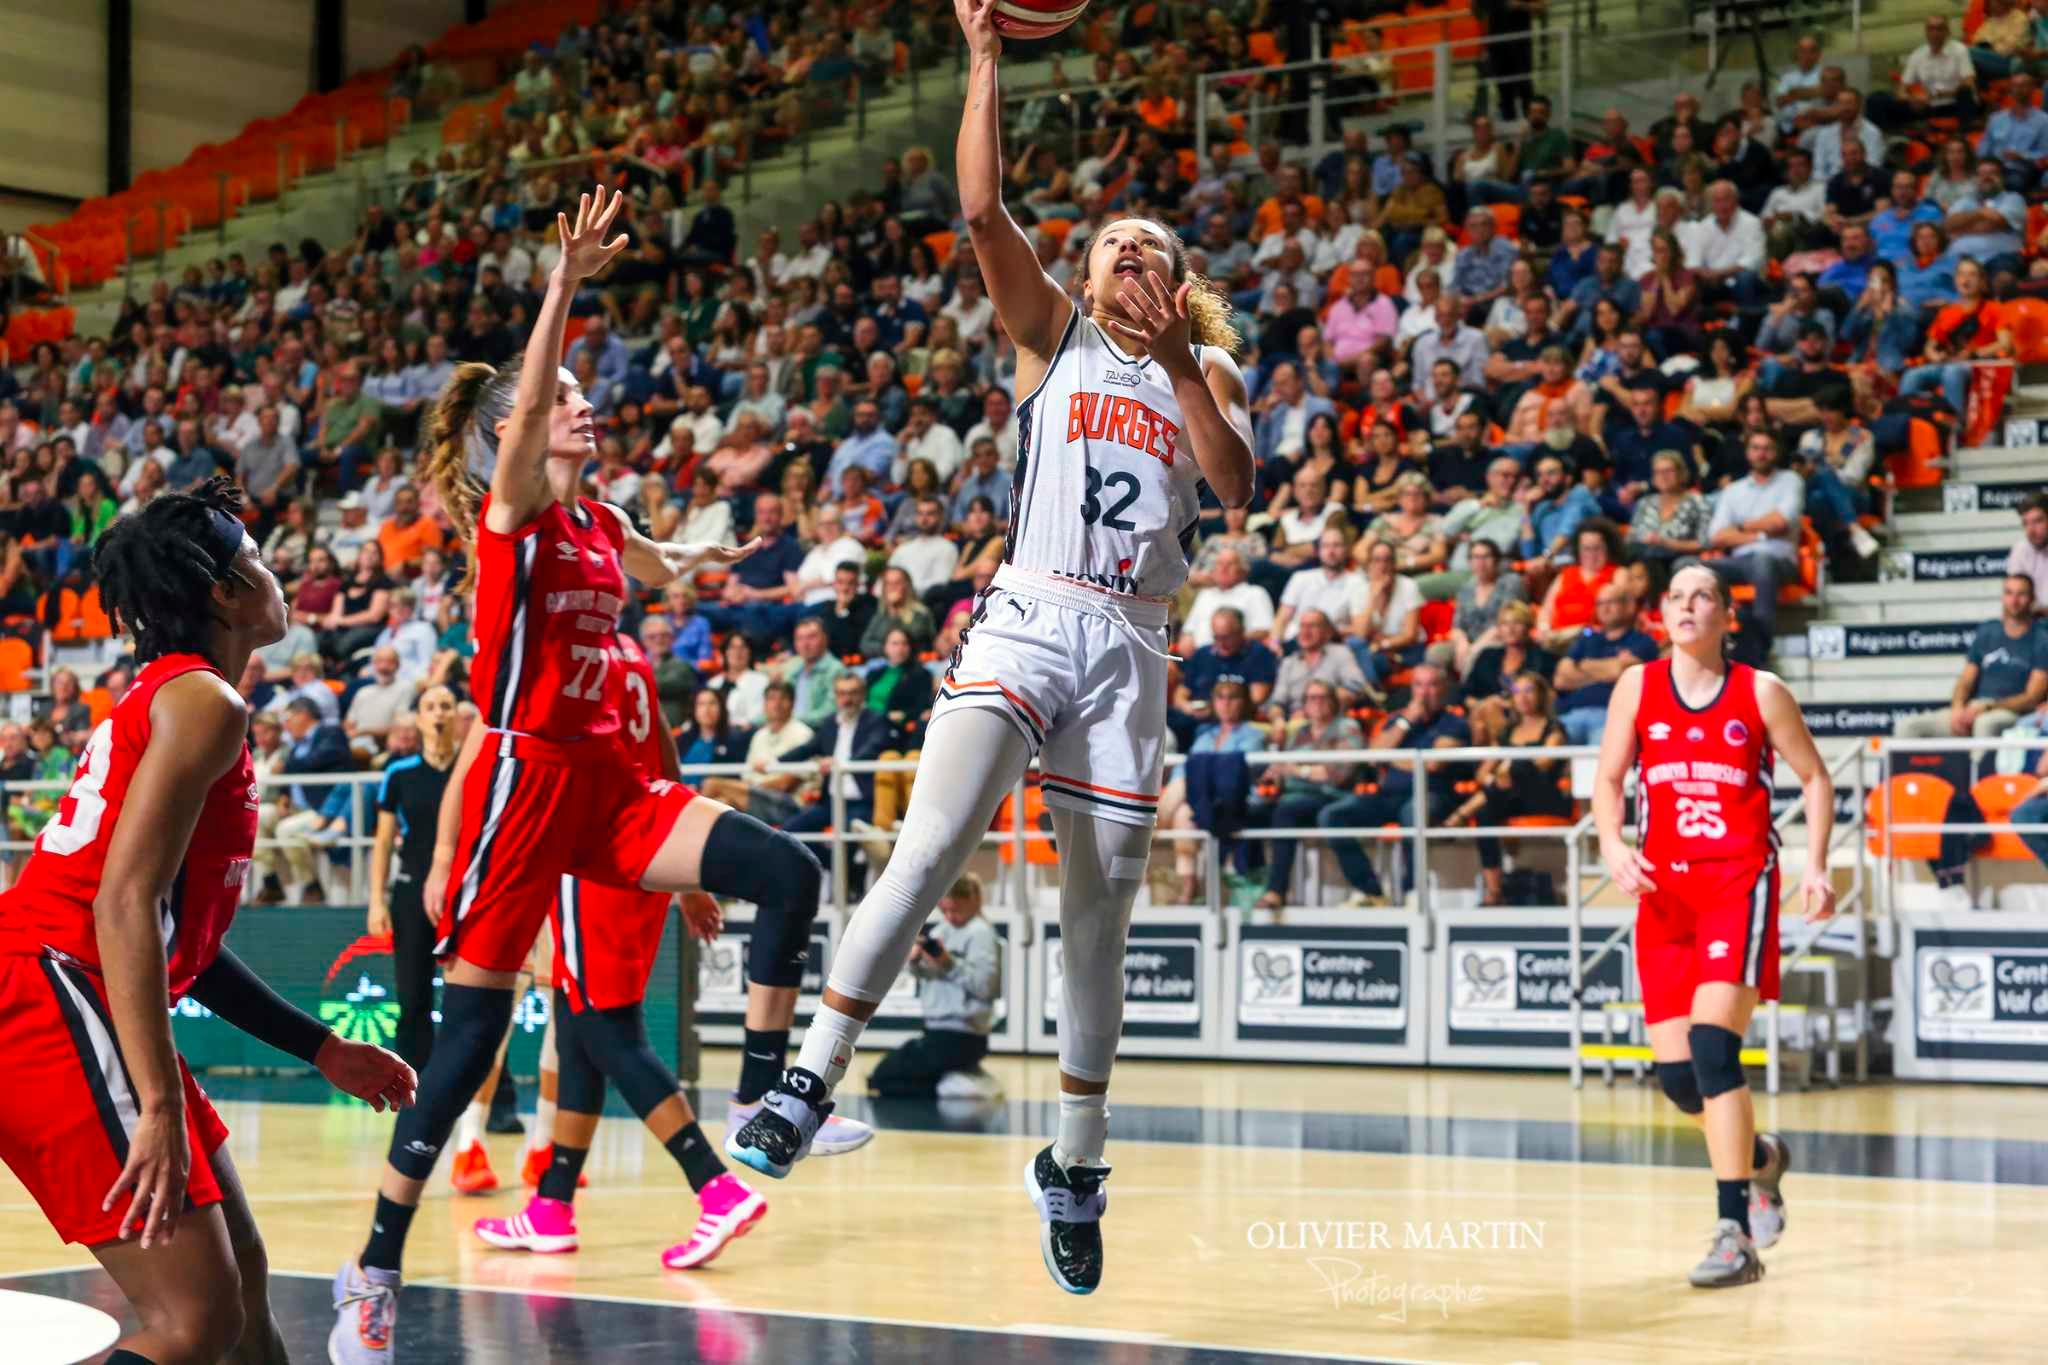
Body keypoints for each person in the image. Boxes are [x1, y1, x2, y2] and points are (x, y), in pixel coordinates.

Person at [726, 0, 1257, 1301]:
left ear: (1180, 281)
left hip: (1134, 647)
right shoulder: (1053, 340)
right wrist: (981, 61)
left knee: (1098, 916)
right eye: (1112, 243)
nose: (1128, 252)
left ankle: (1076, 1162)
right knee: (936, 838)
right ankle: (809, 1077)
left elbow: (1236, 488)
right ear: (1085, 275)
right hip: (1033, 610)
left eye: (1152, 245)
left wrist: (1190, 362)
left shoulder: (1213, 378)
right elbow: (979, 212)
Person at [331, 187, 866, 1365]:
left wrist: (705, 554)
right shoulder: (510, 516)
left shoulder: (597, 518)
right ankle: (371, 1267)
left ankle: (763, 1104)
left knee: (789, 873)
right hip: (524, 791)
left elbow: (652, 557)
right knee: (465, 1047)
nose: (583, 408)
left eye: (580, 398)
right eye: (567, 400)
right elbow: (525, 405)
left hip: (613, 788)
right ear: (513, 438)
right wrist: (563, 284)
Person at [0, 478, 414, 1365]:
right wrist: (156, 1104)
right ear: (224, 592)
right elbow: (121, 904)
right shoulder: (202, 702)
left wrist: (320, 1046)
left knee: (243, 1279)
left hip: (75, 985)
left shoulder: (184, 697)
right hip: (48, 985)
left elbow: (178, 935)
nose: (277, 574)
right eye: (258, 561)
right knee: (195, 1322)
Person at [472, 628, 767, 1271]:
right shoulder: (628, 651)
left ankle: (716, 1187)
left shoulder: (561, 657)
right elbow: (665, 756)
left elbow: (545, 767)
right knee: (578, 1029)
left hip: (592, 857)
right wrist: (683, 874)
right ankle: (551, 1208)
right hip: (646, 847)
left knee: (606, 1033)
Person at [1592, 561, 1836, 1288]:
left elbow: (1816, 777)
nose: (1688, 605)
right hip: (1663, 894)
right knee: (1677, 1079)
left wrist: (1816, 865)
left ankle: (1734, 1234)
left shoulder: (1761, 692)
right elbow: (1608, 779)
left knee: (1712, 1049)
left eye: (1704, 595)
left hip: (1737, 884)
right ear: (1661, 612)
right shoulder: (1636, 686)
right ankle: (1760, 1163)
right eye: (1676, 595)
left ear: (1728, 616)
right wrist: (1612, 843)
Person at [367, 685, 461, 1073]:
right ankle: (410, 1084)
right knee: (413, 997)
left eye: (446, 706)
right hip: (411, 894)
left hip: (463, 895)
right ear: (419, 719)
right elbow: (384, 841)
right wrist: (376, 900)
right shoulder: (399, 773)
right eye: (430, 707)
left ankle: (488, 1099)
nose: (438, 713)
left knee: (470, 998)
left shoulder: (471, 771)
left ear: (457, 716)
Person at [865, 874, 1003, 1097]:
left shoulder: (981, 933)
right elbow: (925, 977)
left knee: (884, 1080)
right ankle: (961, 1078)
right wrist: (916, 962)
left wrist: (948, 963)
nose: (950, 917)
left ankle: (959, 1084)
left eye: (956, 910)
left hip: (963, 1035)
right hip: (935, 1031)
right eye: (945, 910)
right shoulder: (941, 931)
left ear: (973, 901)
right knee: (882, 1076)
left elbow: (985, 987)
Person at [1446, 672, 1570, 905]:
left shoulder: (1554, 728)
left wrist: (1506, 770)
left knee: (1520, 768)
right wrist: (1497, 776)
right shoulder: (1507, 731)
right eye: (1517, 692)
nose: (1522, 698)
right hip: (1508, 796)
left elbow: (1544, 763)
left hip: (1543, 795)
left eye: (1529, 691)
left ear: (1541, 695)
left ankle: (1461, 813)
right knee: (1485, 812)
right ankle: (1494, 890)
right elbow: (1483, 772)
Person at [1892, 576, 2048, 741]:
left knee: (1985, 724)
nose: (2014, 600)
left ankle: (1979, 767)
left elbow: (2032, 698)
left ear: (2032, 599)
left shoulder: (2041, 639)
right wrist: (1958, 708)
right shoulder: (1987, 630)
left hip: (2010, 713)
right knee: (1908, 727)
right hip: (1974, 707)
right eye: (2009, 593)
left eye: (2021, 594)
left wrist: (1988, 707)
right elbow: (1965, 680)